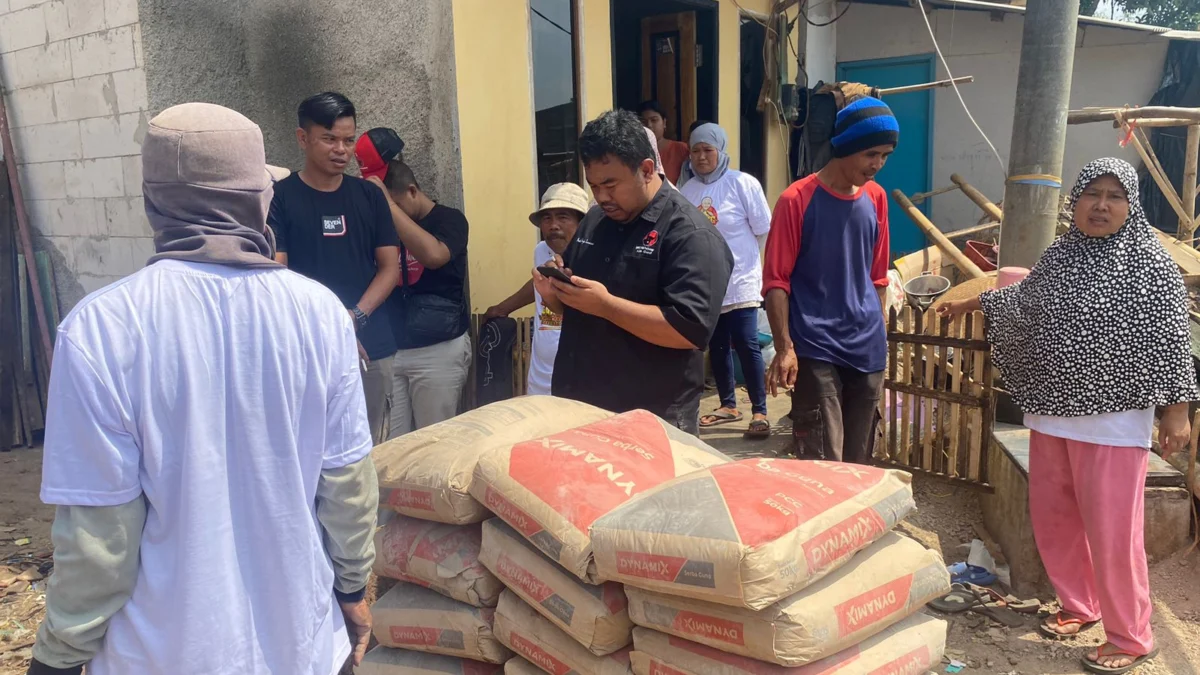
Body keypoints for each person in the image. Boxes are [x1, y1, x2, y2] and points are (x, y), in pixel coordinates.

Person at [27, 103, 378, 675]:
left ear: (153, 202)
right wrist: (352, 588)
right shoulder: (320, 313)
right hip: (303, 644)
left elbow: (101, 541)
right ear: (258, 201)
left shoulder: (103, 327)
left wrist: (58, 656)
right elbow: (346, 486)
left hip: (161, 653)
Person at [938, 157, 1198, 674]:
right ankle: (1080, 605)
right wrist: (972, 305)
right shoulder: (1061, 255)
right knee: (1055, 519)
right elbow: (1025, 300)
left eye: (1114, 195)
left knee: (1111, 532)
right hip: (1051, 414)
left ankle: (1131, 636)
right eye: (1091, 194)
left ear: (1130, 204)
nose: (1101, 205)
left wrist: (1176, 413)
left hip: (1113, 423)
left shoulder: (1150, 265)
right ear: (1074, 201)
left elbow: (1173, 343)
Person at [536, 109, 733, 434]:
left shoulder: (690, 234)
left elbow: (689, 331)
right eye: (594, 185)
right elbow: (577, 306)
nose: (601, 196)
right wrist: (554, 295)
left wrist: (607, 306)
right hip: (580, 411)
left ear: (646, 169)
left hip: (651, 424)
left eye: (611, 184)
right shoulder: (595, 220)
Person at [762, 96, 897, 463]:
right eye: (871, 154)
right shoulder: (796, 200)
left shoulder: (877, 198)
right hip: (816, 345)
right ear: (845, 146)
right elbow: (776, 281)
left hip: (866, 347)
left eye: (885, 156)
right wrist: (785, 346)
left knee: (860, 459)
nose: (877, 165)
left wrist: (879, 329)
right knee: (823, 459)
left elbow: (878, 276)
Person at [269, 92, 400, 444]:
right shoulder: (279, 198)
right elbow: (277, 276)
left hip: (371, 345)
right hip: (307, 345)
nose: (341, 149)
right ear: (303, 138)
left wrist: (353, 317)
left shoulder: (370, 196)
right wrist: (329, 326)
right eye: (329, 139)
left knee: (372, 451)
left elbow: (390, 268)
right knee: (313, 448)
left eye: (348, 139)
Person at [358, 149, 471, 438]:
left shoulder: (451, 220)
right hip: (392, 350)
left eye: (393, 204)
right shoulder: (381, 226)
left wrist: (387, 206)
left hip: (439, 349)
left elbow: (434, 255)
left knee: (434, 444)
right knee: (387, 445)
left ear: (412, 192)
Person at [678, 123, 772, 438]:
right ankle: (728, 405)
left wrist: (753, 269)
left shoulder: (743, 184)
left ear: (720, 150)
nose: (702, 157)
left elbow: (762, 230)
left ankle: (759, 410)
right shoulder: (687, 191)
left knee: (746, 343)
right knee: (716, 345)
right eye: (696, 150)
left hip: (741, 279)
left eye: (708, 150)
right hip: (706, 284)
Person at [485, 183, 590, 395]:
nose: (553, 225)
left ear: (582, 223)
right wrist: (503, 308)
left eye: (563, 217)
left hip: (580, 377)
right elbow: (538, 281)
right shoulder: (541, 251)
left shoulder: (593, 258)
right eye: (547, 218)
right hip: (540, 376)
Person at [639, 100, 690, 184]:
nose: (649, 125)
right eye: (643, 122)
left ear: (664, 123)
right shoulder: (635, 152)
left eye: (654, 120)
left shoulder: (681, 149)